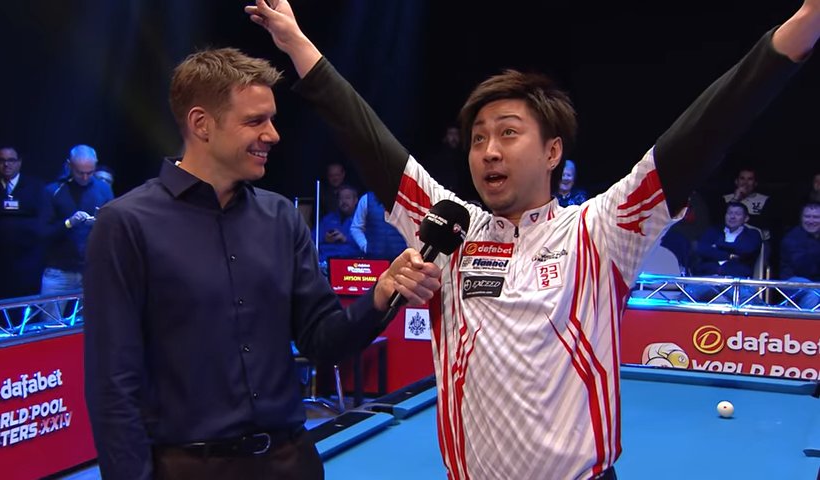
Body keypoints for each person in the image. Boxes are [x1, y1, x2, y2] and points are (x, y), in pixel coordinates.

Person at [248, 1, 819, 478]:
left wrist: (802, 26)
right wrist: (296, 42)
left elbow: (707, 128)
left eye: (508, 133)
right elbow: (364, 133)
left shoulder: (602, 228)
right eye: (478, 138)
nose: (489, 151)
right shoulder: (449, 224)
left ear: (552, 152)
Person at [83, 47, 442, 480]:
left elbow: (322, 341)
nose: (273, 135)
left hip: (290, 462)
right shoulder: (126, 224)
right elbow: (112, 383)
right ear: (201, 124)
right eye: (255, 121)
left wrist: (381, 294)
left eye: (271, 120)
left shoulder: (281, 218)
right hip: (186, 467)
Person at [40, 145, 113, 319]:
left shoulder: (103, 190)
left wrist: (101, 223)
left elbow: (114, 229)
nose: (85, 177)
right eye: (80, 173)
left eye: (90, 172)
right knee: (50, 324)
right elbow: (43, 233)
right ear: (69, 165)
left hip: (91, 270)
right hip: (58, 271)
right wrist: (68, 223)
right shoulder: (53, 191)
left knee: (90, 324)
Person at [0, 147, 48, 302]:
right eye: (2, 160)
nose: (6, 164)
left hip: (26, 263)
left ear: (19, 162)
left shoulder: (35, 187)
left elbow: (42, 220)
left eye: (11, 160)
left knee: (24, 306)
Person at [694, 202, 762, 278]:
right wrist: (730, 255)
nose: (732, 217)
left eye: (737, 214)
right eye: (729, 213)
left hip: (737, 278)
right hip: (708, 276)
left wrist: (718, 245)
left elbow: (746, 250)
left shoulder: (752, 234)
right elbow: (701, 249)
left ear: (746, 218)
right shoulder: (713, 231)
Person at [779, 202, 820, 309]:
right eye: (807, 216)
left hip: (816, 282)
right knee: (814, 292)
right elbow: (804, 267)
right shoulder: (792, 238)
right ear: (801, 218)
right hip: (794, 280)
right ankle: (804, 320)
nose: (811, 221)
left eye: (816, 217)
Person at [350, 190, 408, 260]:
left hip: (403, 258)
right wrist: (366, 247)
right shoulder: (366, 199)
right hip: (375, 259)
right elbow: (356, 228)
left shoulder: (405, 198)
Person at [317, 184, 362, 262]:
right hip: (324, 260)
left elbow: (369, 245)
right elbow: (312, 238)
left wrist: (345, 239)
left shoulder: (362, 220)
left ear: (355, 200)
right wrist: (324, 238)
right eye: (341, 198)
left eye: (347, 198)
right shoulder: (328, 218)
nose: (344, 201)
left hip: (349, 261)